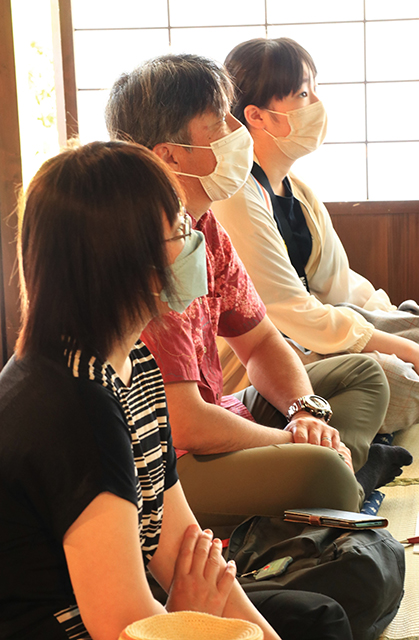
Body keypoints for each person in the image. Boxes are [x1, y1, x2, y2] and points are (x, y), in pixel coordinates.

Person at [105, 53, 411, 533]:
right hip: (168, 467)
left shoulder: (204, 224)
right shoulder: (144, 247)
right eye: (217, 122)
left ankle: (341, 488)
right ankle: (349, 482)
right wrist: (289, 442)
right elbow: (184, 423)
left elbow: (263, 341)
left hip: (222, 413)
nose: (236, 130)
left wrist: (304, 412)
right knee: (320, 467)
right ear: (169, 154)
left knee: (363, 374)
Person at [0, 140, 293, 640]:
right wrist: (184, 613)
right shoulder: (73, 406)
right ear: (126, 258)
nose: (195, 238)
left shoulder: (133, 361)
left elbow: (181, 546)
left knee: (316, 615)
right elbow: (124, 627)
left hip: (137, 615)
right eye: (180, 227)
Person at [213, 36, 419, 434]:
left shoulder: (297, 189)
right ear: (256, 116)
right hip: (268, 362)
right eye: (303, 94)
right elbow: (286, 310)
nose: (317, 105)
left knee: (416, 327)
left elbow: (342, 285)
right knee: (392, 374)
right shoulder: (235, 196)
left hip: (312, 335)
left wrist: (397, 322)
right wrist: (402, 346)